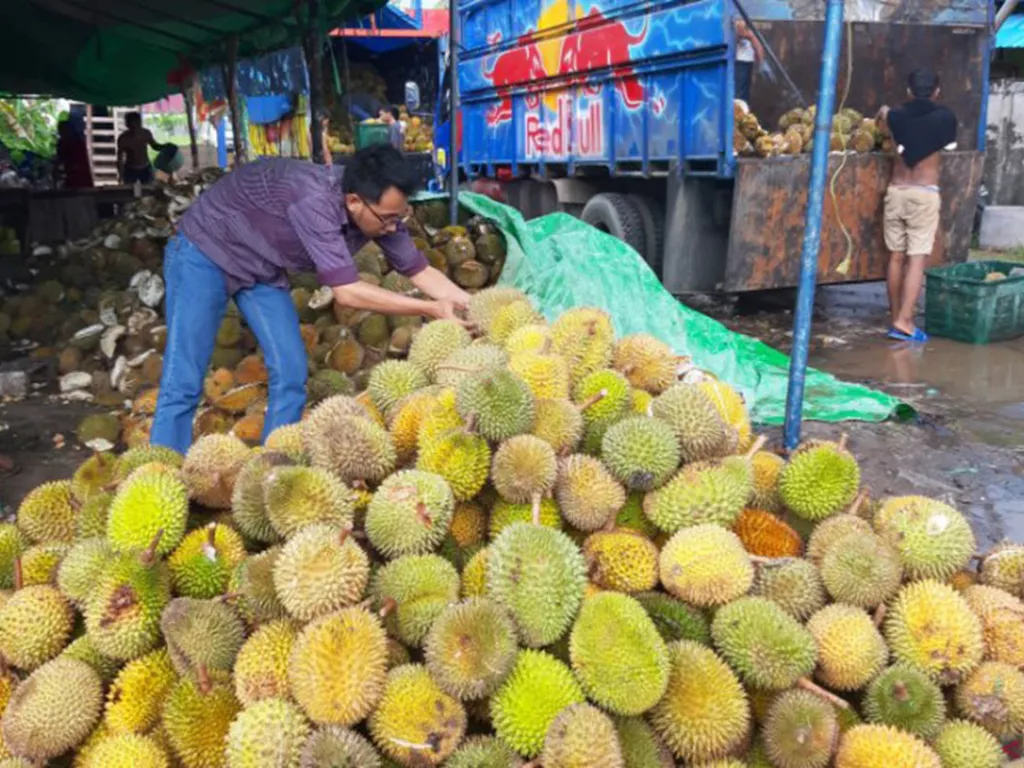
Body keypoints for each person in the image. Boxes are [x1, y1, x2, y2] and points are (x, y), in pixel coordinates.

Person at [150, 144, 470, 455]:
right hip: (204, 251)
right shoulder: (313, 199)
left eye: (397, 217)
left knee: (291, 371)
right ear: (354, 201)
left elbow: (420, 271)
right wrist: (429, 308)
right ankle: (163, 469)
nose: (392, 227)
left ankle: (273, 466)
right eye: (386, 218)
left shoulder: (382, 212)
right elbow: (347, 291)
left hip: (262, 265)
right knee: (184, 378)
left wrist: (473, 307)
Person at [877, 68, 958, 343]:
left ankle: (894, 317)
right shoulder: (945, 118)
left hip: (896, 191)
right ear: (936, 91)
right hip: (924, 193)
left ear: (909, 91)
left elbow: (883, 124)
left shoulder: (894, 116)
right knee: (916, 258)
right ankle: (905, 321)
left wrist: (884, 112)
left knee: (896, 256)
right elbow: (946, 144)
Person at [116, 112, 161, 185]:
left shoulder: (146, 133)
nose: (135, 128)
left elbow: (155, 146)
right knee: (130, 192)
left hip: (146, 168)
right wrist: (121, 175)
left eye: (136, 124)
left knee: (149, 191)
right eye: (132, 125)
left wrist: (165, 147)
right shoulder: (123, 139)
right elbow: (119, 159)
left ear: (140, 123)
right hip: (130, 170)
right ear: (127, 125)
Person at [54, 119, 94, 189]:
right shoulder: (63, 143)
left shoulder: (76, 143)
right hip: (72, 177)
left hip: (79, 178)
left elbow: (79, 163)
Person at [734, 19, 764, 104]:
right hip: (740, 63)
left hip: (747, 63)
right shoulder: (736, 31)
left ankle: (742, 111)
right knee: (739, 95)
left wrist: (760, 64)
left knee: (743, 94)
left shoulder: (751, 35)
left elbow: (759, 49)